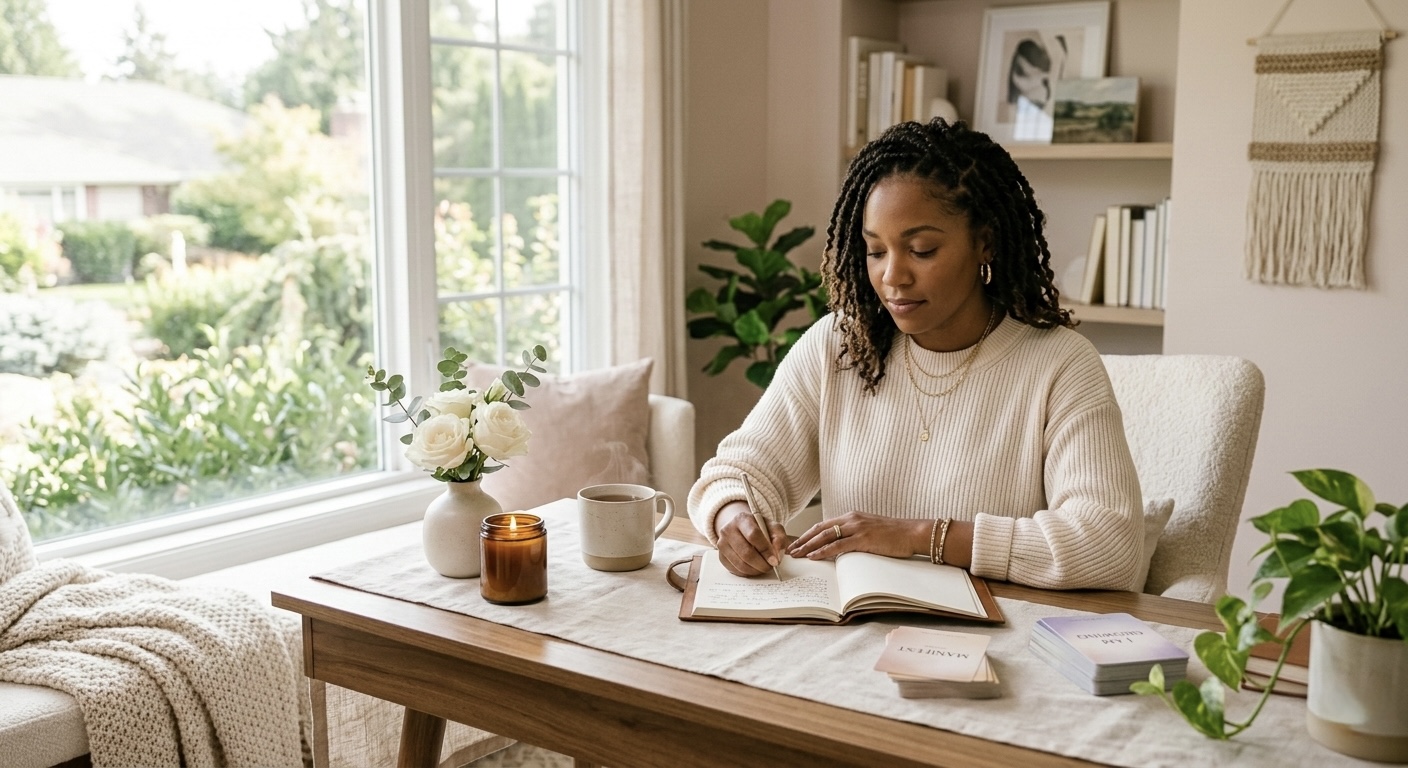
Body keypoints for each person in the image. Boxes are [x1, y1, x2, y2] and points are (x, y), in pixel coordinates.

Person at [686, 118, 1143, 592]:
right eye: (875, 251)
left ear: (984, 241)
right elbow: (735, 473)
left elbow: (1110, 545)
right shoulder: (840, 346)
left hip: (995, 641)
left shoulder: (1060, 365)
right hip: (854, 632)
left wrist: (920, 537)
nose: (892, 276)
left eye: (921, 250)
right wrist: (734, 517)